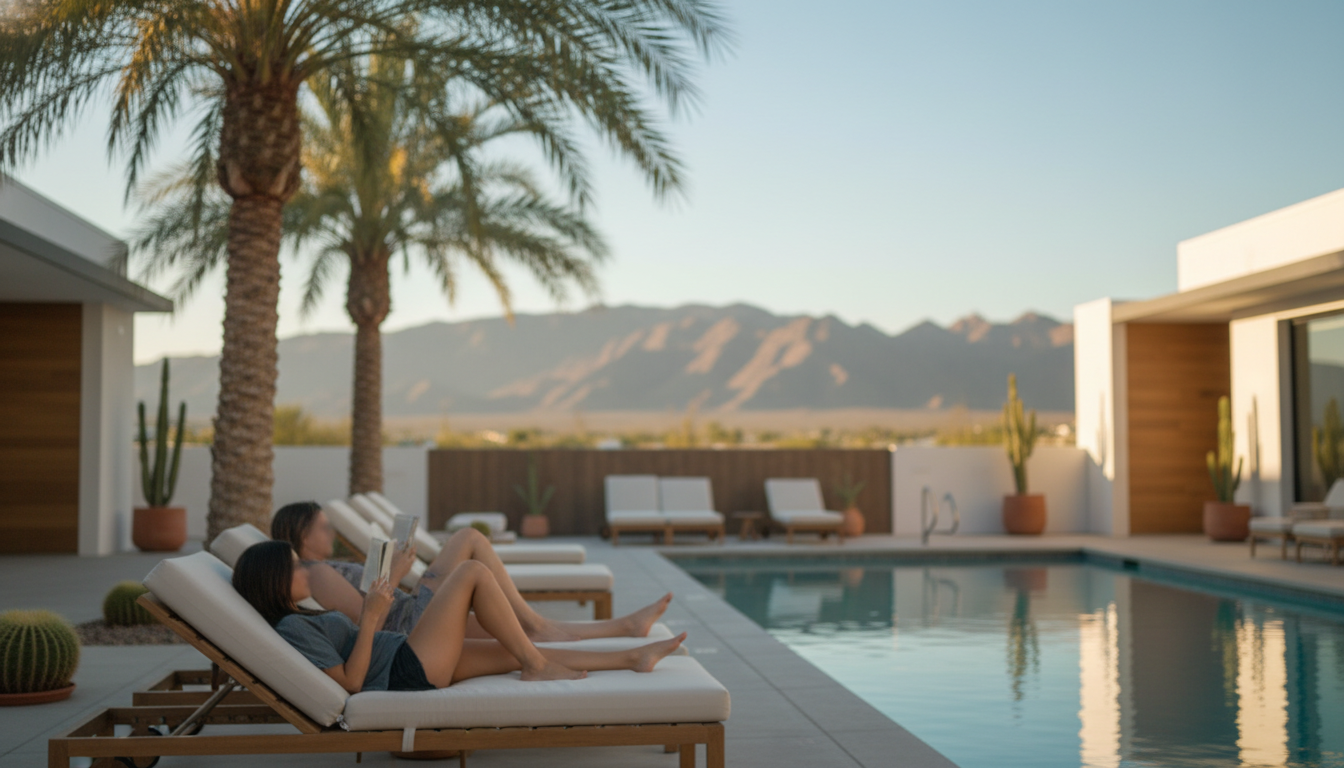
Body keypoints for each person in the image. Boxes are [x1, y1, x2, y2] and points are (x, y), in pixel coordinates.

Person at [233, 541, 685, 691]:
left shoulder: (300, 618)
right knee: (470, 571)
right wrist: (371, 618)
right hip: (406, 668)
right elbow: (350, 683)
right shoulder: (292, 627)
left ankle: (633, 658)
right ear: (272, 581)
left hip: (407, 658)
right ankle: (538, 664)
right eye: (293, 566)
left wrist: (374, 617)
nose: (304, 569)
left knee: (514, 651)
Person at [271, 501, 670, 641]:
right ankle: (539, 622)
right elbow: (368, 620)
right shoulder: (315, 573)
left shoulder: (319, 569)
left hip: (411, 612)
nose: (332, 531)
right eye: (324, 526)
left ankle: (624, 629)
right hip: (408, 626)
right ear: (302, 533)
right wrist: (395, 573)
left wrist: (395, 569)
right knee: (469, 541)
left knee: (525, 632)